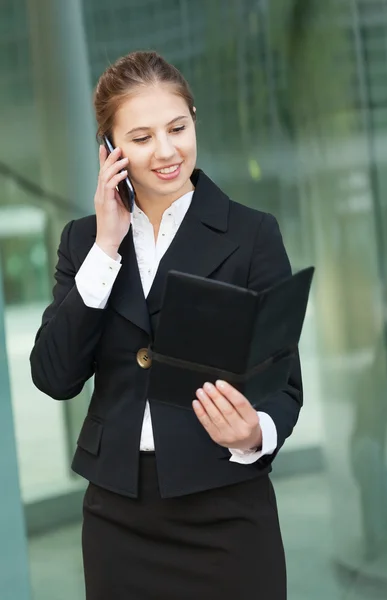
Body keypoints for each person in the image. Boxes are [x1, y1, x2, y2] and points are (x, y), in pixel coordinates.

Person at [30, 50, 302, 600]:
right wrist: (108, 246)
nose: (166, 151)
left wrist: (255, 433)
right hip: (117, 518)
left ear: (194, 119)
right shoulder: (85, 241)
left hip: (225, 510)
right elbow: (55, 375)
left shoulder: (251, 234)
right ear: (109, 149)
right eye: (141, 136)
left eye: (177, 127)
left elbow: (286, 387)